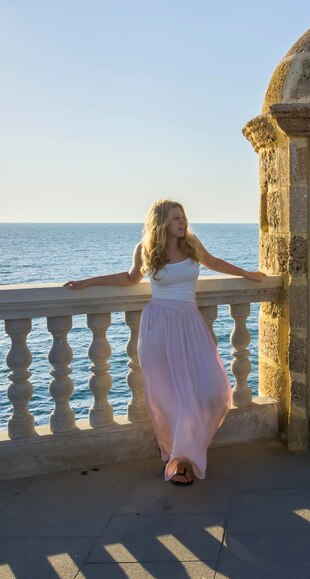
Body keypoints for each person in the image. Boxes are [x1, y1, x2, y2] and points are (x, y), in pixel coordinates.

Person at [64, 199, 265, 486]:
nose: (182, 223)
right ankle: (180, 460)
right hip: (158, 325)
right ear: (162, 223)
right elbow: (131, 278)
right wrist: (89, 281)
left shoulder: (192, 244)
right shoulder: (146, 249)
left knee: (213, 388)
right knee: (170, 397)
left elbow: (215, 262)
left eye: (183, 217)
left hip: (189, 323)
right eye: (175, 219)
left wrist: (247, 274)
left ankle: (188, 450)